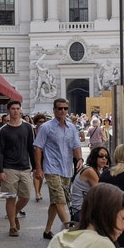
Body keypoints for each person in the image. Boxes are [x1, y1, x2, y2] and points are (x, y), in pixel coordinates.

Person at [34, 98, 82, 239]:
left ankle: (47, 230)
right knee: (60, 200)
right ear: (54, 110)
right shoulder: (46, 127)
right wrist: (38, 168)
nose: (63, 111)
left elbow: (76, 146)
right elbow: (38, 148)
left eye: (65, 108)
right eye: (60, 108)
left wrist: (79, 159)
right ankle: (69, 231)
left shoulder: (71, 127)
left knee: (55, 201)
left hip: (66, 169)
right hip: (51, 168)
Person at [0, 100, 34, 235]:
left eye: (18, 108)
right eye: (13, 109)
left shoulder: (28, 127)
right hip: (9, 167)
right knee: (10, 197)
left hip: (24, 167)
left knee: (26, 196)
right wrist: (0, 171)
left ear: (21, 110)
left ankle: (14, 213)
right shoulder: (3, 130)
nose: (16, 111)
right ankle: (12, 225)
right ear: (8, 111)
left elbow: (31, 148)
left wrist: (36, 167)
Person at [69, 146, 108, 221]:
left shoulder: (91, 169)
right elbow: (102, 192)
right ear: (94, 157)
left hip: (83, 210)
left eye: (106, 157)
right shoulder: (90, 171)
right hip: (81, 212)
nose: (104, 158)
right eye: (101, 156)